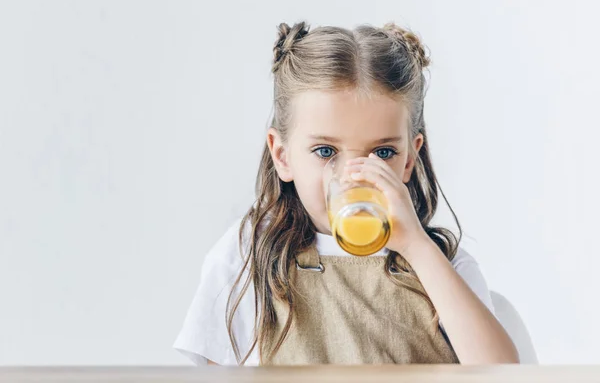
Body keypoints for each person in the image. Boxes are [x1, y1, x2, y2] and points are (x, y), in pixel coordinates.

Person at [173, 21, 519, 366]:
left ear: (409, 159)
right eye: (326, 152)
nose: (355, 177)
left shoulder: (442, 262)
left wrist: (417, 247)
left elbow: (501, 374)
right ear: (282, 156)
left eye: (382, 153)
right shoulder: (248, 256)